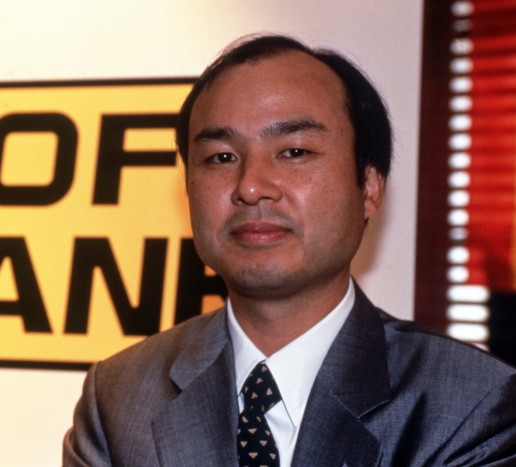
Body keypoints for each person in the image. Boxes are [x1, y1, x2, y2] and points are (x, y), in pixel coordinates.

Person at [63, 34, 516, 466]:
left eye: (294, 151)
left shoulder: (470, 404)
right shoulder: (118, 399)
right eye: (221, 157)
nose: (251, 186)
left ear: (370, 187)